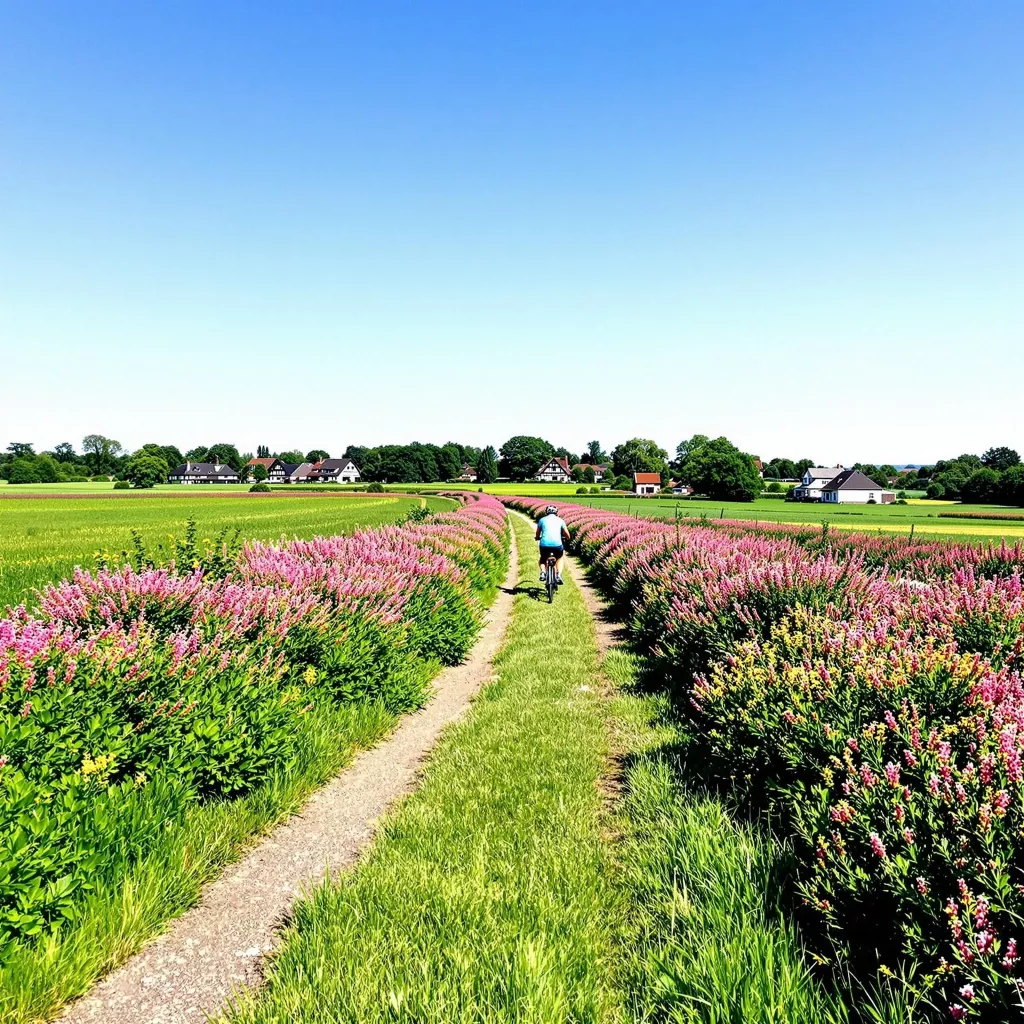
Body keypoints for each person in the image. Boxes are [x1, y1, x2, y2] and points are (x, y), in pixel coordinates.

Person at [536, 505, 569, 585]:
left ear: (546, 512)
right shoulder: (560, 520)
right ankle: (558, 575)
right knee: (560, 558)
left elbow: (538, 532)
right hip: (557, 545)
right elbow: (567, 534)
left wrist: (537, 537)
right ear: (556, 512)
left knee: (543, 559)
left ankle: (543, 572)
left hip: (544, 545)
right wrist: (567, 538)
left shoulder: (542, 520)